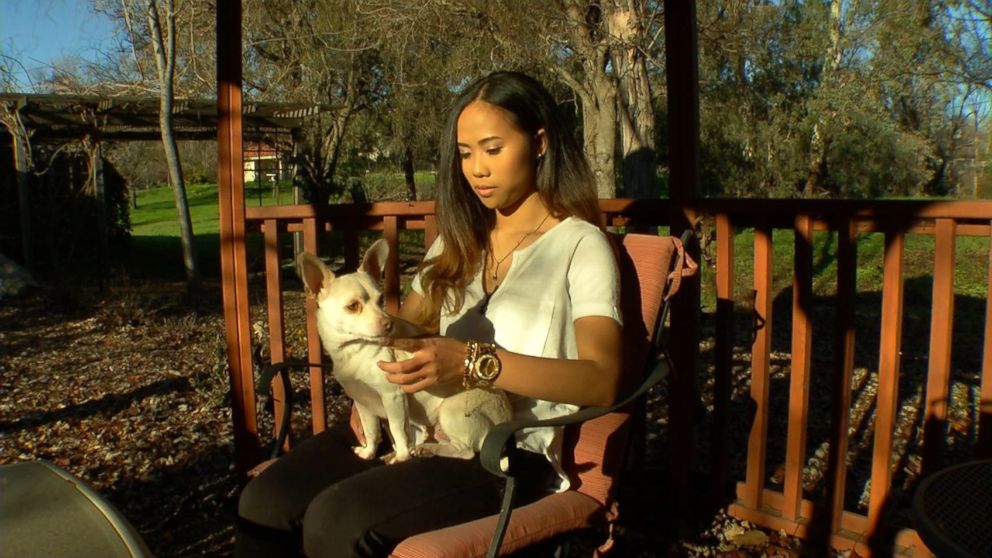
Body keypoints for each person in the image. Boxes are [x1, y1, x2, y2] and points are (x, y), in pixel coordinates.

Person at [235, 70, 623, 558]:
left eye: (492, 149)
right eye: (465, 154)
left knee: (337, 520)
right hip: (418, 424)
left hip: (503, 449)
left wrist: (474, 361)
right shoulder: (460, 241)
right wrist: (350, 315)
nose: (476, 169)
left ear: (539, 142)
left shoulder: (580, 245)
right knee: (265, 500)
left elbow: (603, 379)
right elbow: (404, 331)